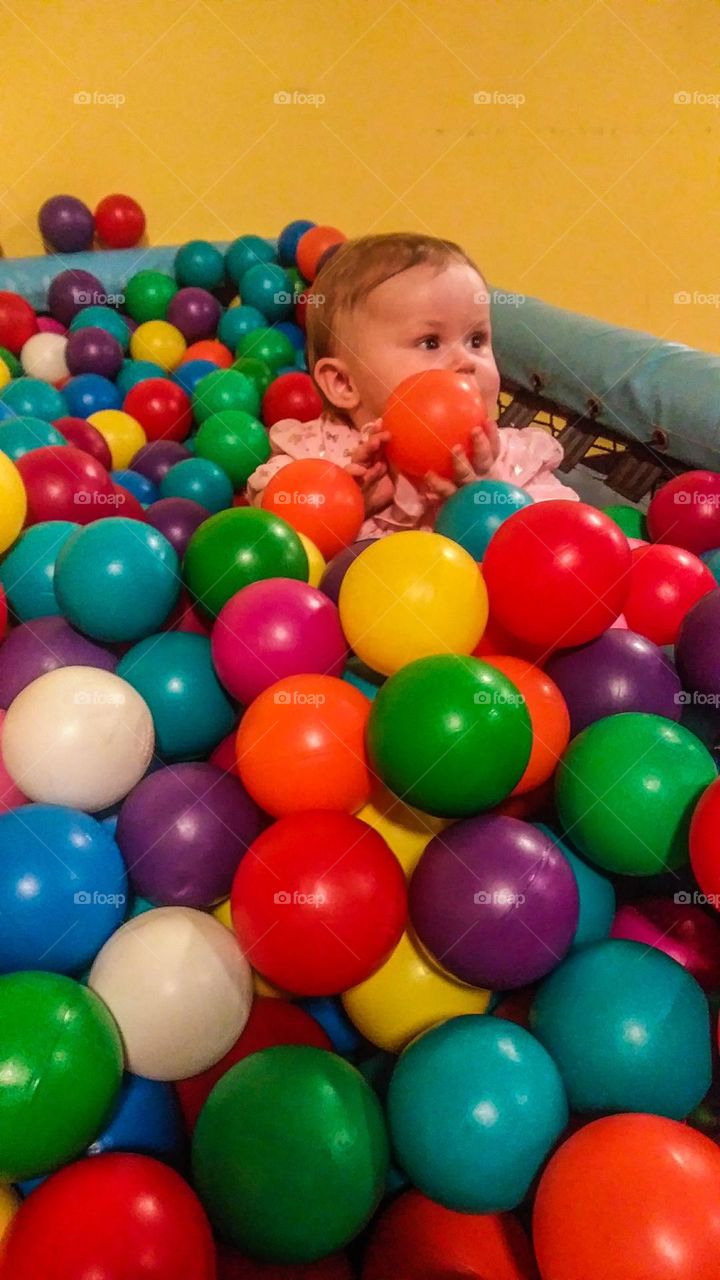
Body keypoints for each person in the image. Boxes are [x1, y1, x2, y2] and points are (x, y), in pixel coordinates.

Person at [246, 232, 577, 537]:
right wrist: (341, 503)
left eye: (477, 340)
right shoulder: (319, 458)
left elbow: (561, 536)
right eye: (430, 343)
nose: (467, 361)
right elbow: (266, 531)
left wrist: (485, 499)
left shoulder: (514, 461)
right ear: (344, 383)